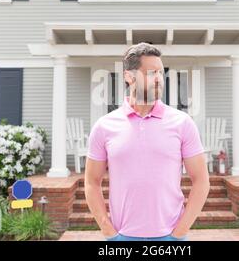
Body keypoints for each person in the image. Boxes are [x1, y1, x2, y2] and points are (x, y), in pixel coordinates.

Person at [84, 42, 210, 241]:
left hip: (170, 237)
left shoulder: (182, 123)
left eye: (161, 72)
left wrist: (179, 233)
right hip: (121, 237)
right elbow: (91, 182)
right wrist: (109, 232)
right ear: (129, 76)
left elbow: (202, 181)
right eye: (151, 73)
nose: (159, 79)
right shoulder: (104, 126)